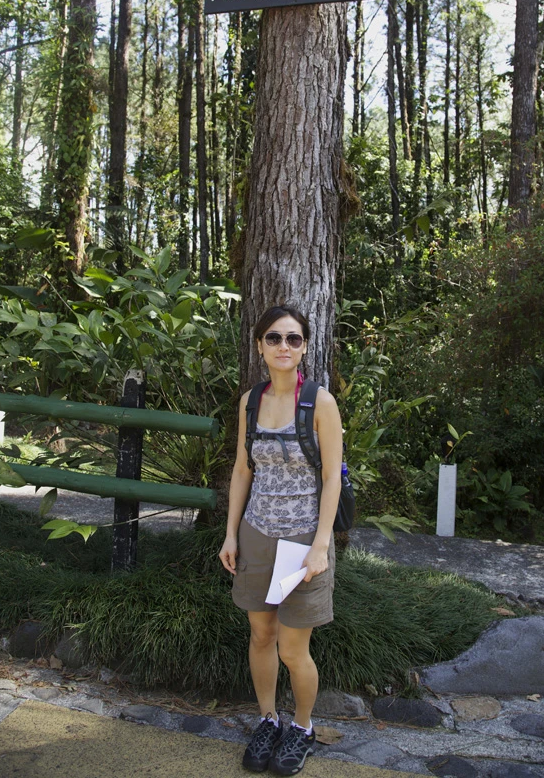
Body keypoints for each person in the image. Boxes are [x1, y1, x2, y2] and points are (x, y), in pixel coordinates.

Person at [219, 305, 343, 775]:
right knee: (261, 636)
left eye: (293, 338)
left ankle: (302, 727)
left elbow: (331, 478)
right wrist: (231, 534)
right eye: (274, 338)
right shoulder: (250, 402)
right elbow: (242, 470)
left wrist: (320, 545)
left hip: (303, 540)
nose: (283, 346)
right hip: (256, 534)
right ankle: (268, 719)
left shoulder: (320, 403)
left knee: (292, 649)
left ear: (305, 346)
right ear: (260, 346)